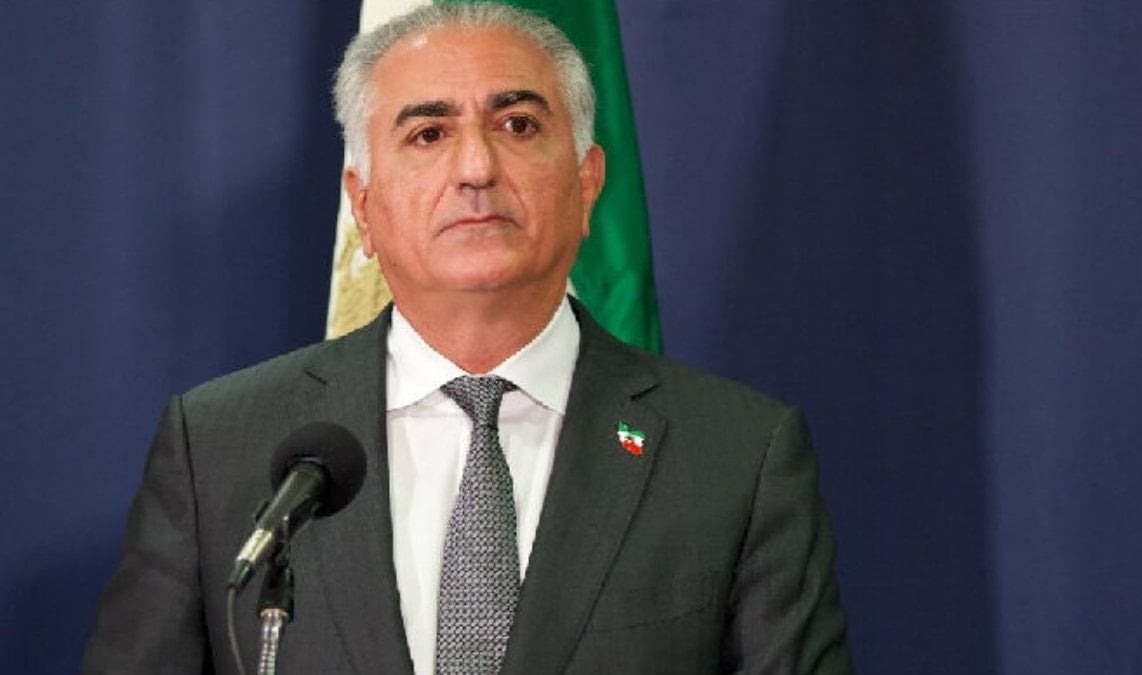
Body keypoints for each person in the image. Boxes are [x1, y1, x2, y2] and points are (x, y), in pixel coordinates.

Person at [82, 3, 853, 673]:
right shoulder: (218, 448)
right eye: (428, 133)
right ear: (364, 205)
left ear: (587, 184)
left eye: (518, 125)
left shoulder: (738, 456)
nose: (477, 167)